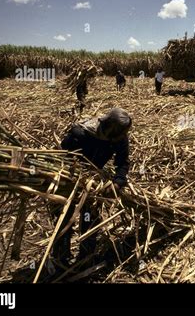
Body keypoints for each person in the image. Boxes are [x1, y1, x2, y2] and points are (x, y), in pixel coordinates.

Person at [51, 108, 131, 269]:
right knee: (64, 217)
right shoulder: (80, 134)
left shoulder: (119, 138)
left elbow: (123, 162)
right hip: (69, 180)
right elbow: (61, 157)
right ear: (109, 129)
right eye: (122, 133)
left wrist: (117, 182)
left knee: (89, 217)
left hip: (93, 184)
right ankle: (61, 257)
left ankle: (86, 258)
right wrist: (70, 178)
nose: (124, 137)